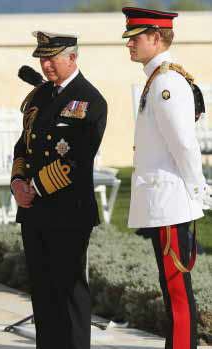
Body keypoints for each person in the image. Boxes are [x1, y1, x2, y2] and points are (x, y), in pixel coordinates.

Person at [10, 31, 107, 349]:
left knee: (69, 291)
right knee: (42, 291)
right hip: (34, 210)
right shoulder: (39, 97)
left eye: (52, 58)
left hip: (68, 211)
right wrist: (18, 183)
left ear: (73, 58)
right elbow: (23, 145)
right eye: (42, 58)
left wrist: (34, 187)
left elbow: (78, 157)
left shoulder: (90, 100)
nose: (46, 65)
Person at [122, 7, 208, 349]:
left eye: (136, 38)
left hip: (171, 202)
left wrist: (198, 190)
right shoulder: (158, 78)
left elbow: (184, 144)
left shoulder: (167, 83)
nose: (130, 44)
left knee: (177, 292)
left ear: (157, 38)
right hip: (163, 202)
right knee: (171, 288)